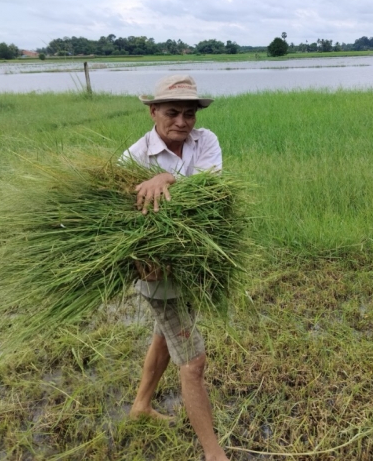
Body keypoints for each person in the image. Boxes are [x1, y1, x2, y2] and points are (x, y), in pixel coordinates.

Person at [121, 74, 229, 461]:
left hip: (193, 263)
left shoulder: (206, 141)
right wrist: (138, 263)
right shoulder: (133, 158)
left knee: (164, 337)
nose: (182, 122)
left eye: (188, 114)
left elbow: (212, 193)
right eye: (172, 112)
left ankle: (141, 406)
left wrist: (167, 178)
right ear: (153, 111)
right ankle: (214, 453)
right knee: (194, 362)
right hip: (157, 272)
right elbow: (123, 224)